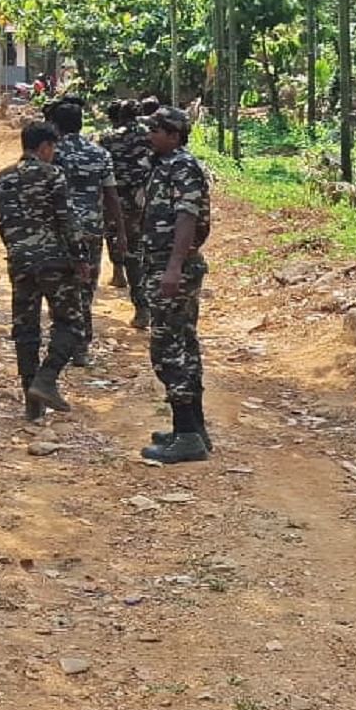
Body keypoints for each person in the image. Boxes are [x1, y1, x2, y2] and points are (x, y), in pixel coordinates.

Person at [0, 120, 87, 420]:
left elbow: (2, 224)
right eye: (52, 148)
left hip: (19, 262)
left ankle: (32, 404)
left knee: (26, 330)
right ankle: (46, 379)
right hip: (55, 262)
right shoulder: (53, 175)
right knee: (72, 324)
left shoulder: (2, 178)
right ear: (45, 147)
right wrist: (80, 258)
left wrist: (17, 250)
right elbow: (66, 221)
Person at [139, 105, 212, 464]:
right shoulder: (165, 164)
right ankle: (193, 429)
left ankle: (186, 436)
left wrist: (173, 267)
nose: (149, 136)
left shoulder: (181, 166)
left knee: (167, 349)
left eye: (155, 130)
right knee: (183, 344)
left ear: (173, 134)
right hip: (168, 265)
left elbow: (187, 216)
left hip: (173, 268)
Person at [43, 97, 125, 368]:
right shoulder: (99, 153)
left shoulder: (50, 153)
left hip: (59, 230)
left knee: (60, 289)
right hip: (91, 230)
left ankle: (59, 342)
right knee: (86, 289)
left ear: (55, 124)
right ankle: (81, 348)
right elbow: (112, 195)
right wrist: (120, 232)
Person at [100, 100, 155, 327]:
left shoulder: (108, 138)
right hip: (149, 198)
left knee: (123, 243)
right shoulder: (152, 135)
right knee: (147, 249)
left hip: (119, 199)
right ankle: (149, 305)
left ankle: (121, 273)